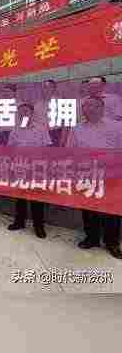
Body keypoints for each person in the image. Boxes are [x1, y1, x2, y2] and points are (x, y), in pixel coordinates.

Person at [65, 95, 122, 259]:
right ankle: (92, 238)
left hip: (110, 174)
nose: (89, 109)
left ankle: (112, 243)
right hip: (86, 174)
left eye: (93, 106)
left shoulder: (116, 126)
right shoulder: (77, 129)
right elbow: (71, 151)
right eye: (86, 106)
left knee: (111, 211)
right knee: (89, 209)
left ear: (102, 108)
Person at [6, 103, 52, 239]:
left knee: (37, 199)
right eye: (21, 112)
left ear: (32, 113)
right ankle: (19, 222)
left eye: (26, 111)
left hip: (36, 169)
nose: (23, 114)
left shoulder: (41, 129)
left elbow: (48, 149)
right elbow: (10, 150)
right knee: (20, 198)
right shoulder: (15, 130)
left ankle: (39, 226)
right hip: (19, 167)